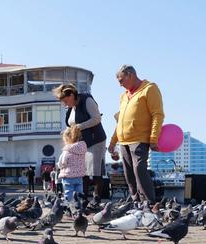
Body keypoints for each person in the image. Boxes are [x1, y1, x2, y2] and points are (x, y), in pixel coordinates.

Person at [108, 65, 164, 203]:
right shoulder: (123, 96)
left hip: (139, 139)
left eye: (121, 80)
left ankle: (149, 203)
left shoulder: (149, 89)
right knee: (129, 175)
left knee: (139, 170)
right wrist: (112, 142)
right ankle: (136, 203)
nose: (120, 84)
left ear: (130, 75)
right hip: (124, 141)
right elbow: (120, 121)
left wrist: (153, 138)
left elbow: (158, 115)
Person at [54, 84, 107, 204]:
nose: (65, 104)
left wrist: (79, 126)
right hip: (81, 143)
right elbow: (70, 124)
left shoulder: (87, 100)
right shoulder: (71, 108)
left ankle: (96, 199)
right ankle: (83, 199)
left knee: (95, 171)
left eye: (66, 101)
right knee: (83, 172)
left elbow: (97, 118)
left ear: (72, 95)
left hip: (95, 140)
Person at [57, 125, 87, 201]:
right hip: (79, 176)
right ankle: (79, 207)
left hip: (68, 176)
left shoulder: (66, 150)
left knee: (68, 193)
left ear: (67, 139)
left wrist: (60, 167)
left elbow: (62, 163)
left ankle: (69, 207)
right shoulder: (82, 149)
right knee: (79, 193)